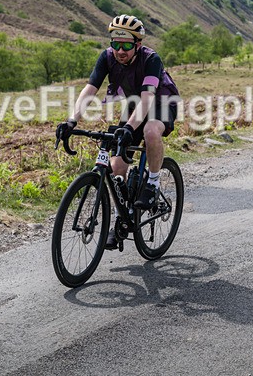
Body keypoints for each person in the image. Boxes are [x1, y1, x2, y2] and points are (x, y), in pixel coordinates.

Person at [56, 14, 180, 248]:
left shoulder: (151, 59)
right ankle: (120, 220)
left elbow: (148, 99)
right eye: (116, 44)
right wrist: (72, 120)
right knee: (116, 167)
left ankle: (152, 184)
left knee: (151, 131)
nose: (120, 50)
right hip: (135, 105)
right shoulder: (107, 57)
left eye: (126, 46)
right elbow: (89, 89)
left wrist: (128, 128)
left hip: (161, 103)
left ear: (138, 45)